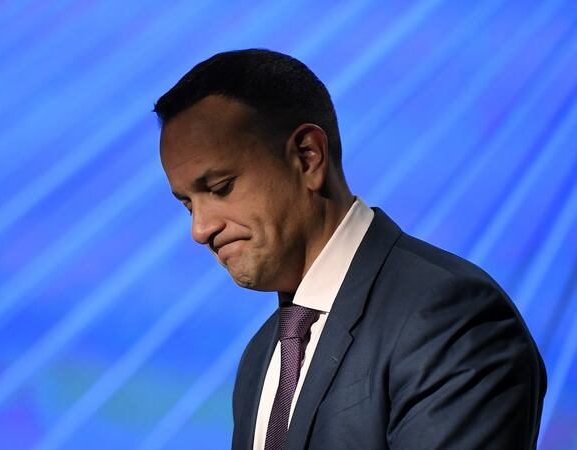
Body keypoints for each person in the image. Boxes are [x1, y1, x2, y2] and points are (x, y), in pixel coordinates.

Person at [153, 49, 546, 450]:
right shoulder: (260, 356)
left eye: (220, 188)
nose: (200, 229)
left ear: (308, 157)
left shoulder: (450, 316)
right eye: (188, 205)